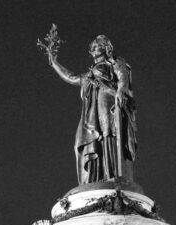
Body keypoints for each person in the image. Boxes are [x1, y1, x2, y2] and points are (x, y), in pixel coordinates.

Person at [46, 35, 137, 184]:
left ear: (107, 48)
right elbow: (72, 77)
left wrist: (121, 90)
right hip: (91, 111)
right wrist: (54, 63)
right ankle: (95, 177)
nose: (94, 48)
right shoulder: (89, 74)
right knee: (85, 139)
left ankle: (112, 173)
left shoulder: (113, 62)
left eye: (98, 45)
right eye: (92, 47)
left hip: (107, 99)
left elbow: (123, 76)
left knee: (108, 132)